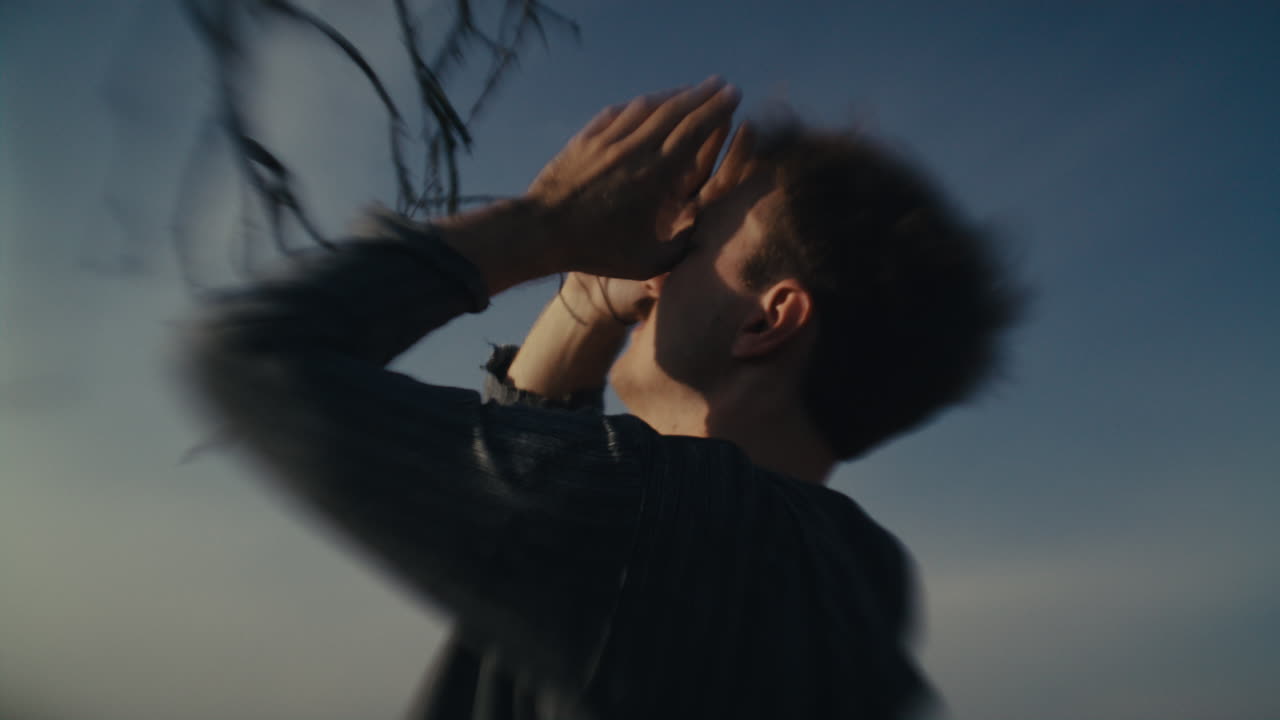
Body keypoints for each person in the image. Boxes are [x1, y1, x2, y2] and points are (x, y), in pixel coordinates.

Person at [182, 76, 1022, 719]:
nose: (655, 269)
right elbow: (542, 477)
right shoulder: (857, 575)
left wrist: (548, 222)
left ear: (770, 320)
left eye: (695, 243)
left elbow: (254, 358)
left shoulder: (670, 528)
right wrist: (585, 303)